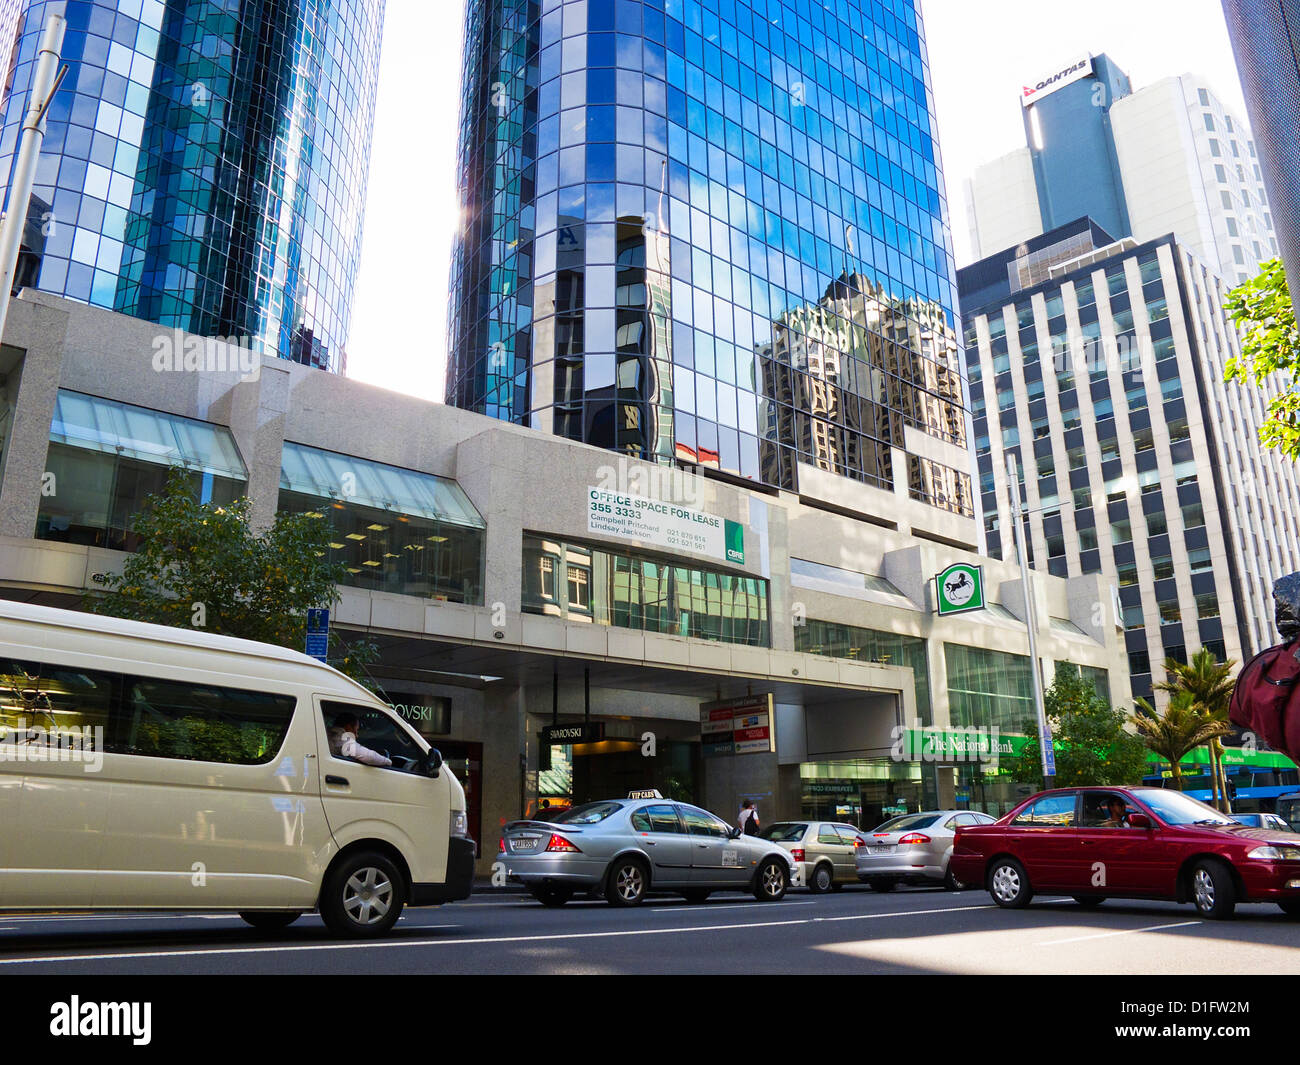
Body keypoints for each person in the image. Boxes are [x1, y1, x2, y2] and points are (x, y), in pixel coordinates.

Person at [327, 712, 392, 767]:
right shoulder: (341, 739)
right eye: (356, 730)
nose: (357, 735)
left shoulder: (326, 734)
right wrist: (388, 762)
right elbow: (370, 757)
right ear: (348, 727)